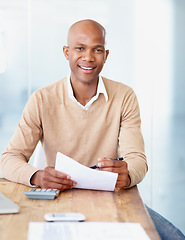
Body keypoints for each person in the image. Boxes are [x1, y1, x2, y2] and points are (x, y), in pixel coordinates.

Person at [0, 19, 184, 239]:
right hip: (58, 197)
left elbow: (137, 160)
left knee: (174, 236)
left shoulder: (124, 96)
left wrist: (128, 174)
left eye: (97, 49)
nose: (88, 57)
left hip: (111, 196)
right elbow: (9, 158)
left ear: (105, 55)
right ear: (66, 52)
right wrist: (37, 176)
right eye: (80, 48)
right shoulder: (42, 99)